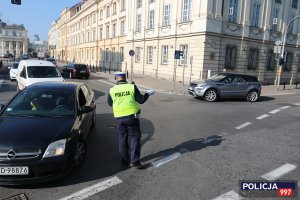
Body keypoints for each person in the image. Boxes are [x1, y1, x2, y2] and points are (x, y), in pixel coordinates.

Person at [107, 72, 155, 169]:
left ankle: (124, 161)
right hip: (132, 118)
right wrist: (147, 94)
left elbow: (110, 103)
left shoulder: (112, 90)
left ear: (116, 78)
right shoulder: (131, 87)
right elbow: (141, 100)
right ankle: (135, 161)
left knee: (122, 139)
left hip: (120, 119)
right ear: (125, 78)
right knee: (135, 138)